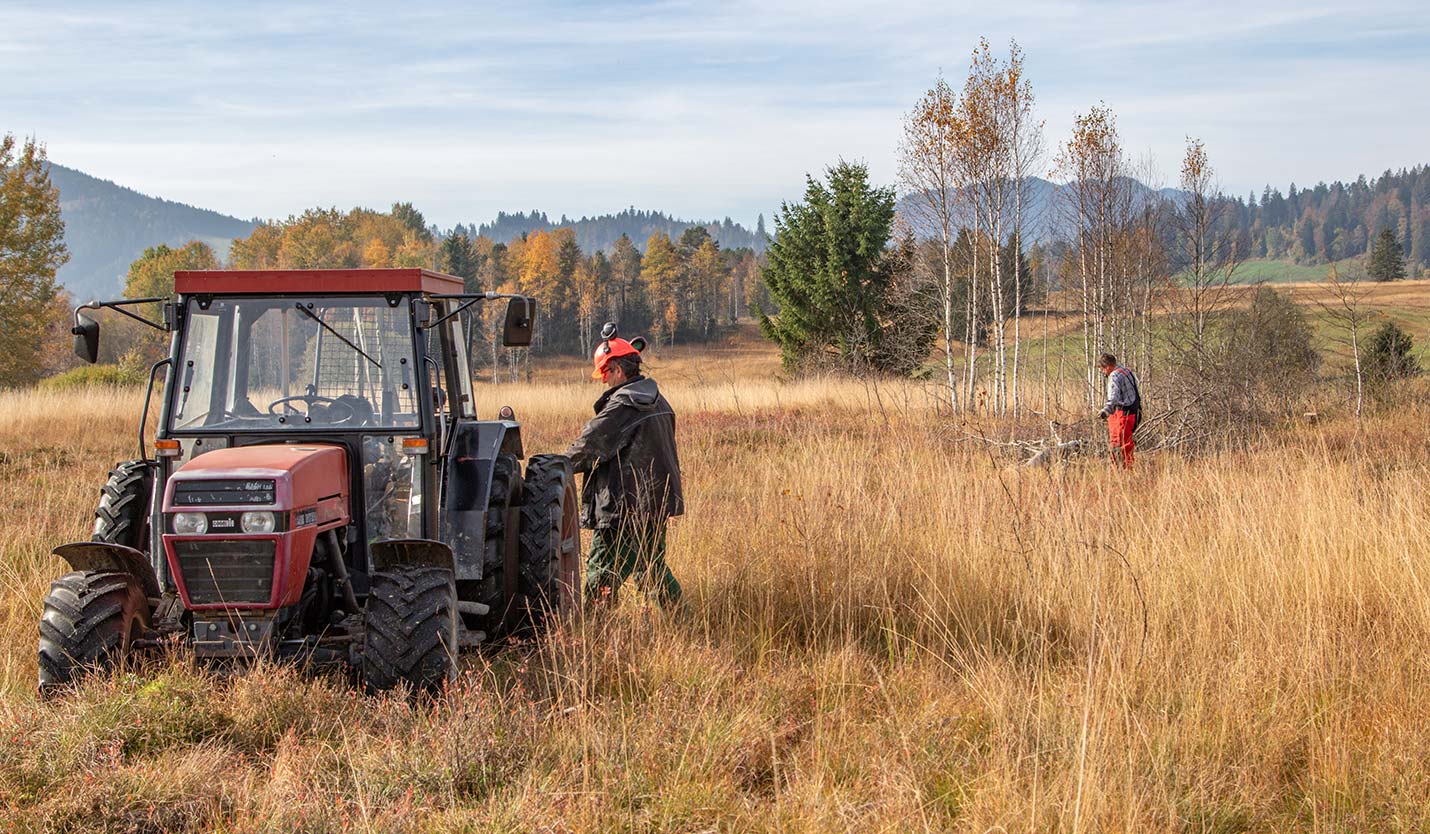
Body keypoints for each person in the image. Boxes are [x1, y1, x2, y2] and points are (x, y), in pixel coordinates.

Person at [565, 327, 684, 609]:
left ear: (618, 370)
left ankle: (597, 631)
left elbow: (588, 446)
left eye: (605, 373)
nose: (603, 380)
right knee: (649, 567)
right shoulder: (658, 400)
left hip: (623, 506)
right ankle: (680, 618)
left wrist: (554, 468)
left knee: (601, 571)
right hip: (655, 503)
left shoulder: (624, 404)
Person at [1096, 353, 1140, 469]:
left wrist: (1105, 411)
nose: (1103, 373)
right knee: (1126, 443)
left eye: (1102, 369)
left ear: (1107, 367)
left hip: (1121, 414)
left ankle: (1120, 471)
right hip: (1133, 412)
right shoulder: (1126, 371)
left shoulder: (1114, 376)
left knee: (1119, 444)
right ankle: (1127, 468)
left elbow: (1113, 397)